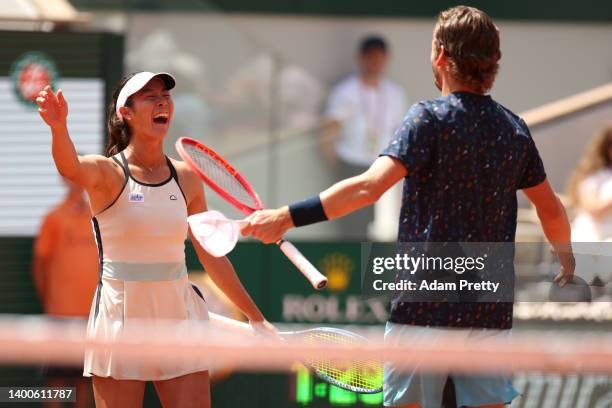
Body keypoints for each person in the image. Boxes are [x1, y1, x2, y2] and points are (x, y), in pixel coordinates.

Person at [242, 6, 575, 408]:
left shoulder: (427, 119)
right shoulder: (514, 129)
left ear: (440, 56)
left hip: (424, 307)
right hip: (487, 306)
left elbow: (368, 188)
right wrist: (566, 260)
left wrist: (286, 217)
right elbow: (552, 210)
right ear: (493, 65)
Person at [36, 71, 275, 408]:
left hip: (180, 316)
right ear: (126, 113)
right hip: (119, 317)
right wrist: (58, 128)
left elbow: (211, 255)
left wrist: (256, 316)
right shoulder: (107, 173)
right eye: (149, 96)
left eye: (165, 95)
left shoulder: (189, 179)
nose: (162, 101)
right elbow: (70, 167)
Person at [322, 35, 407, 240]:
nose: (375, 63)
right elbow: (329, 131)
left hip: (383, 166)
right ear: (361, 58)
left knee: (386, 228)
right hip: (351, 164)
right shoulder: (346, 91)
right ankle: (356, 270)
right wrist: (338, 165)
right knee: (352, 227)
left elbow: (400, 133)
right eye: (370, 57)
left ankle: (377, 271)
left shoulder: (395, 93)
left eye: (379, 58)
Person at [32, 177, 98, 408]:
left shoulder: (97, 218)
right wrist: (51, 303)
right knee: (57, 381)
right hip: (60, 314)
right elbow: (40, 265)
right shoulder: (54, 218)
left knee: (84, 381)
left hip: (91, 316)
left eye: (79, 175)